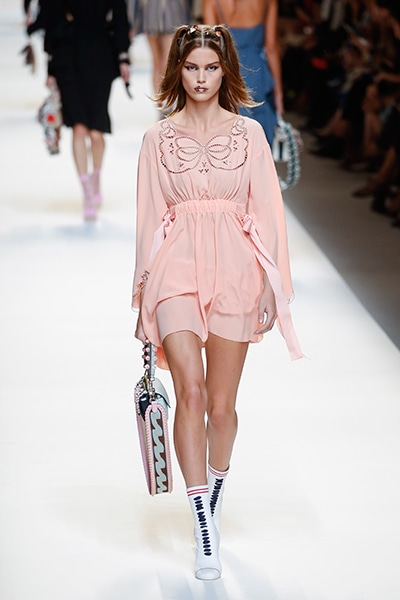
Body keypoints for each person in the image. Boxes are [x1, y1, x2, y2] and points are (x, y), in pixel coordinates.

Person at [132, 24, 303, 580]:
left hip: (235, 268)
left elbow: (268, 211)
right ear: (177, 71)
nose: (201, 78)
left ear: (224, 70)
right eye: (191, 68)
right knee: (191, 391)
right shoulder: (156, 139)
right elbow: (148, 218)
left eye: (210, 67)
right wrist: (143, 295)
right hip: (174, 269)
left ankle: (216, 488)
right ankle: (203, 522)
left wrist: (273, 286)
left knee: (222, 406)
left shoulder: (249, 134)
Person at [28, 0, 131, 221]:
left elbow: (120, 17)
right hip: (69, 59)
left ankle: (96, 177)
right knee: (79, 128)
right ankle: (86, 191)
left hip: (101, 58)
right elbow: (52, 16)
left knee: (96, 133)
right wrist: (51, 67)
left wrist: (123, 56)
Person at [203, 0, 283, 145]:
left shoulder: (212, 2)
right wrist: (278, 92)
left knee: (226, 141)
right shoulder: (268, 2)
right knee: (259, 140)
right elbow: (271, 48)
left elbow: (211, 50)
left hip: (228, 74)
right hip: (258, 75)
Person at [132, 0, 191, 96]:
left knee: (162, 62)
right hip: (164, 13)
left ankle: (161, 98)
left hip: (155, 13)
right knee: (163, 62)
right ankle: (162, 99)